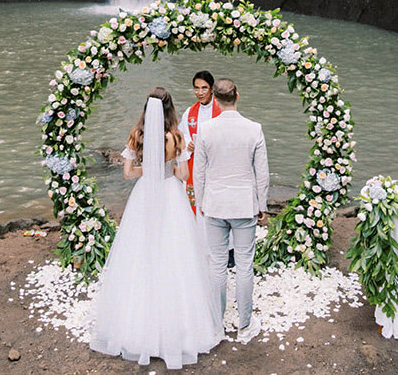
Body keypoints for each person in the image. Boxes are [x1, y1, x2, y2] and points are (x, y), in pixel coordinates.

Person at [90, 87, 224, 369]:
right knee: (175, 252)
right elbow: (183, 175)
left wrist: (147, 170)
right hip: (169, 193)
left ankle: (135, 327)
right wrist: (166, 170)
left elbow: (127, 173)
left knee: (140, 251)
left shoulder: (137, 134)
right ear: (170, 108)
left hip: (144, 195)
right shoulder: (176, 136)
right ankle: (179, 328)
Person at [193, 78, 270, 344]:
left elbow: (198, 171)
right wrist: (262, 205)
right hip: (243, 205)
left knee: (216, 265)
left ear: (214, 98)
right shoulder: (254, 128)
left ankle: (216, 325)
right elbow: (262, 173)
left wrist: (201, 202)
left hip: (214, 204)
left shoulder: (205, 129)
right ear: (238, 96)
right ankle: (245, 325)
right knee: (244, 265)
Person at [178, 71, 222, 213]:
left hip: (214, 162)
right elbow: (182, 134)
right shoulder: (189, 112)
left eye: (204, 88)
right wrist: (188, 142)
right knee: (194, 204)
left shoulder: (221, 110)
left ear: (212, 89)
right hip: (194, 161)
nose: (200, 92)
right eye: (196, 88)